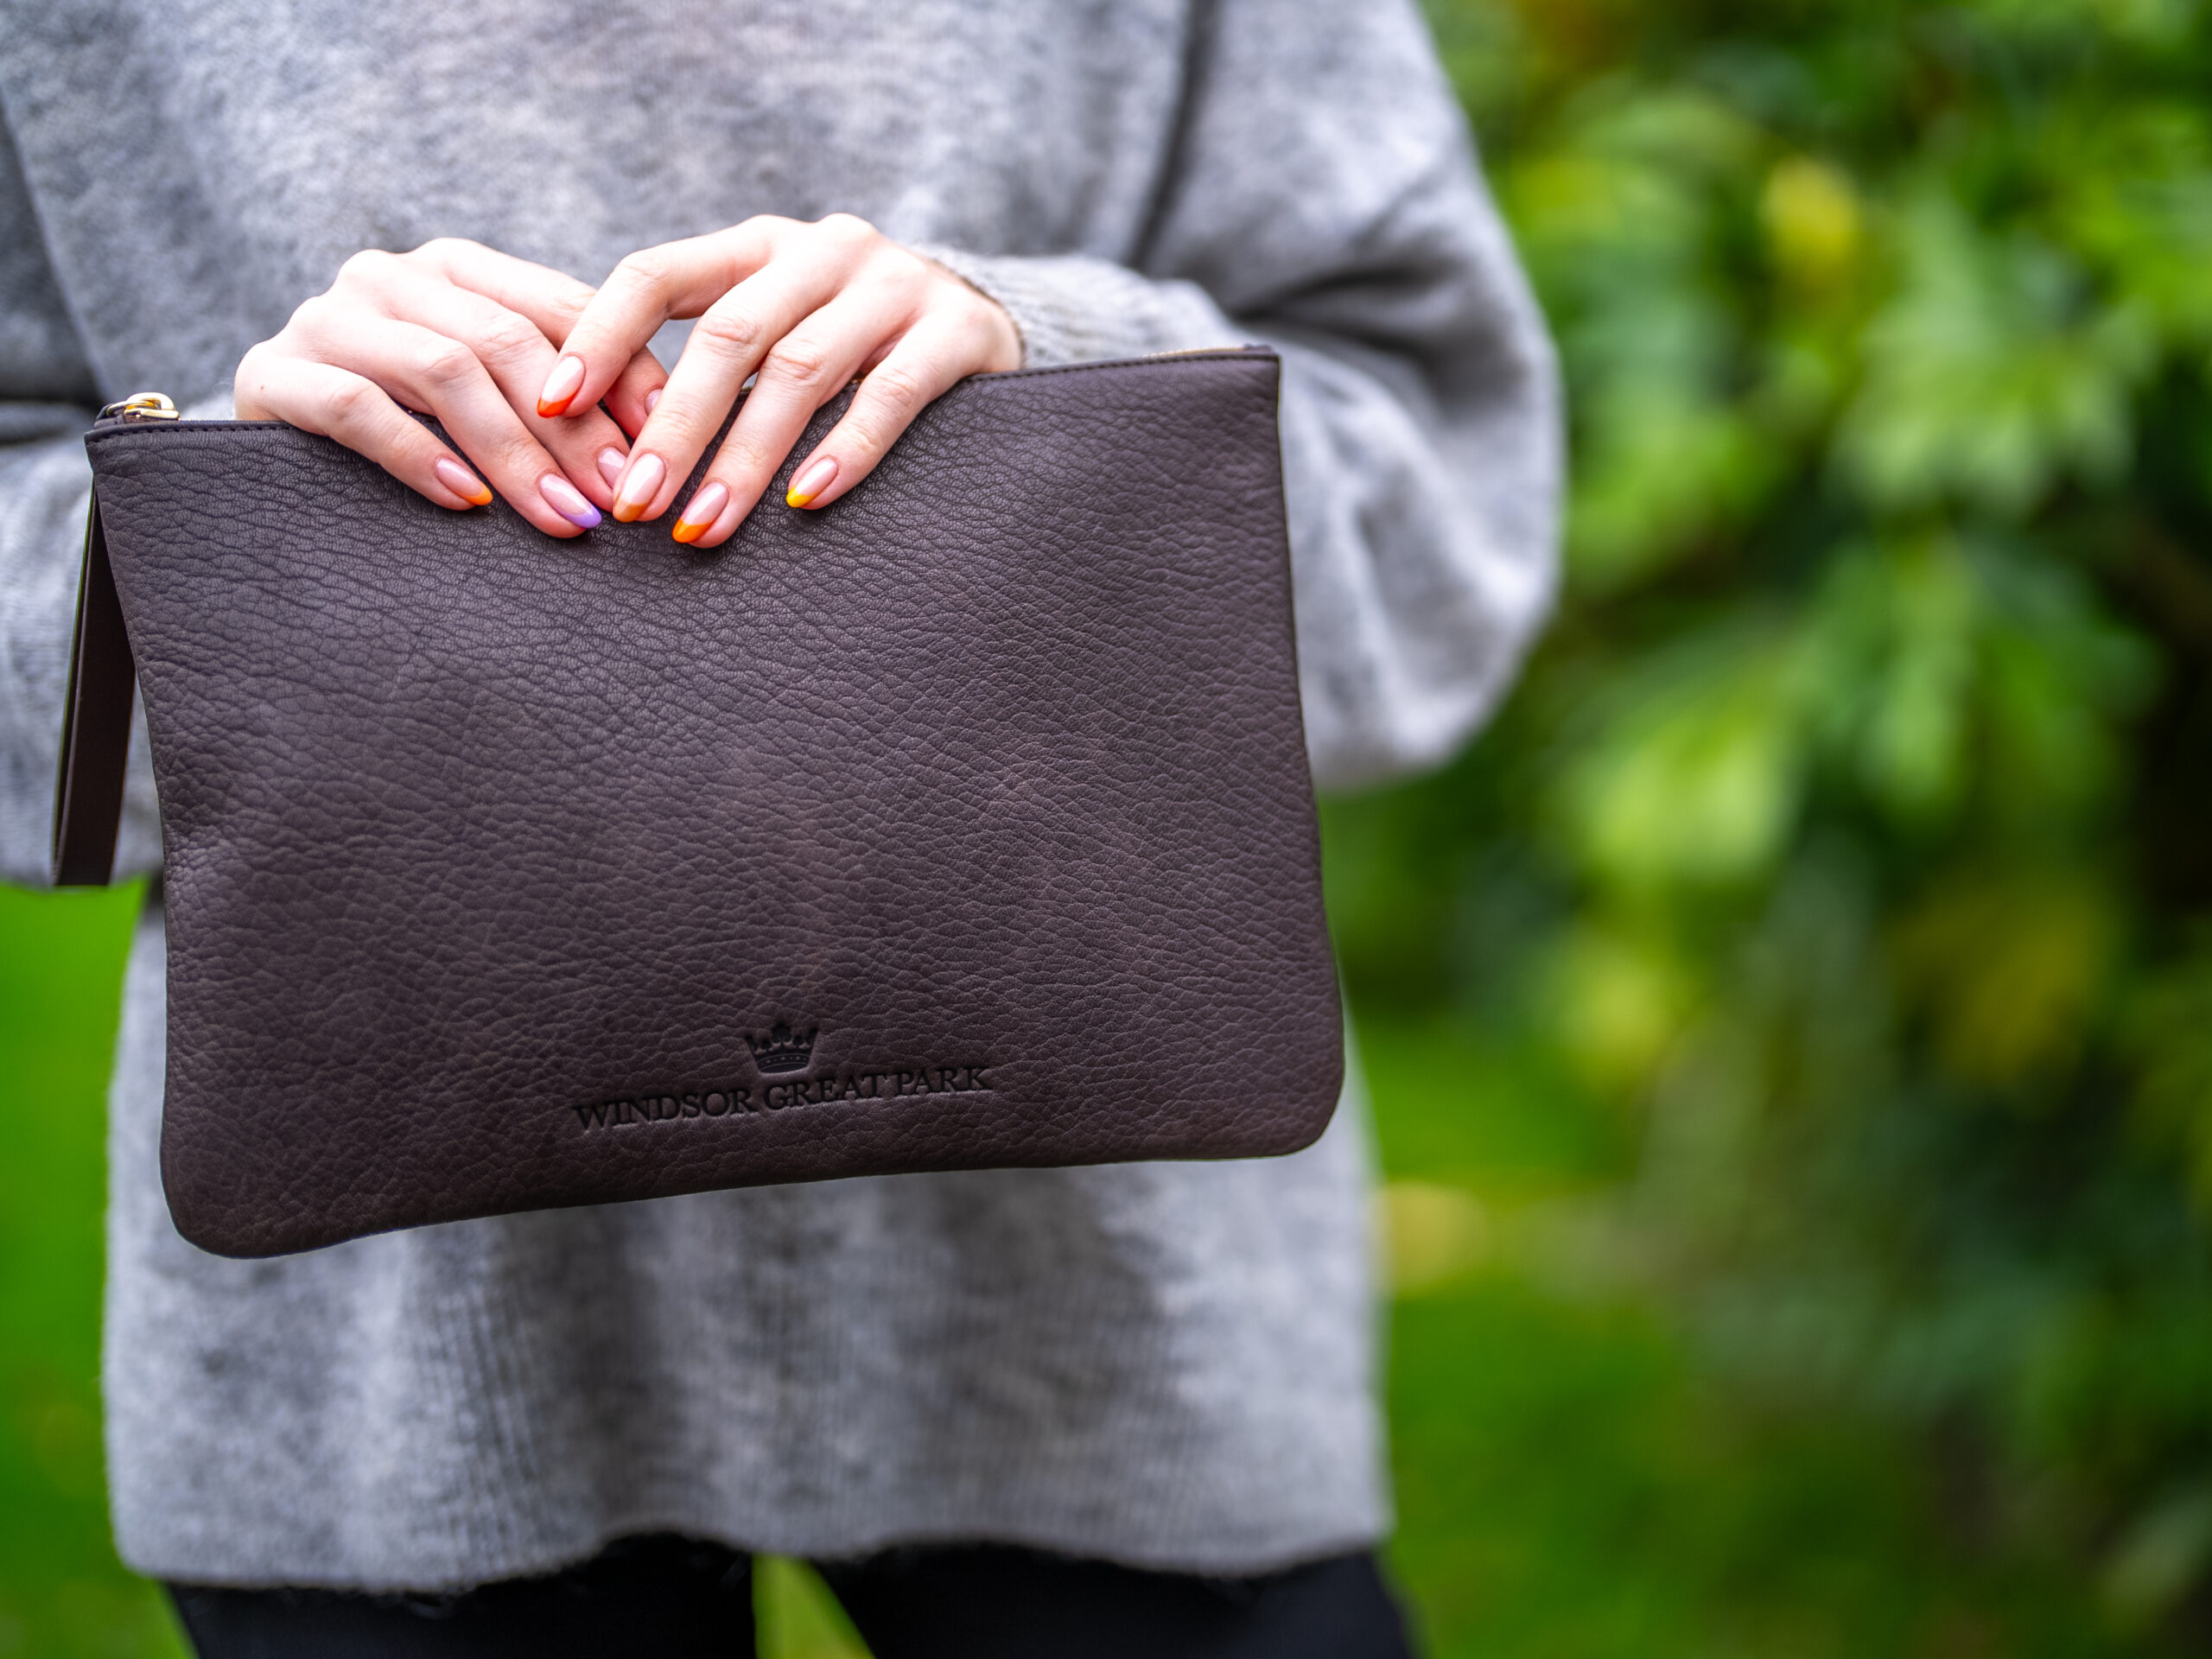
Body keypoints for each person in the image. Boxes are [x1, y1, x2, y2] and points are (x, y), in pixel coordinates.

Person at [0, 1, 1559, 1653]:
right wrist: (246, 542)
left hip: (1128, 1342)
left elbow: (1446, 486)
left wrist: (1056, 376)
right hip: (386, 1401)